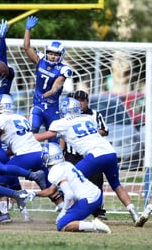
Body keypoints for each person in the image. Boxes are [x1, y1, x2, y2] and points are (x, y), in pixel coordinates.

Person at [34, 97, 140, 223]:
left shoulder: (61, 123)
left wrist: (27, 136)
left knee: (71, 181)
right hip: (110, 152)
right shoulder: (88, 118)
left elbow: (44, 136)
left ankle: (69, 212)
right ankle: (134, 212)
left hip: (94, 155)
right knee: (116, 184)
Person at [0, 93, 48, 223]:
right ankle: (63, 208)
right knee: (47, 187)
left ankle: (3, 214)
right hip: (39, 153)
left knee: (0, 178)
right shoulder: (20, 117)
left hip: (24, 155)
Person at [24, 142, 111, 233]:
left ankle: (94, 225)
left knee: (61, 225)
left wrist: (64, 211)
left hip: (89, 200)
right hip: (96, 195)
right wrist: (35, 193)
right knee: (65, 221)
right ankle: (80, 224)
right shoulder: (66, 165)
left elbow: (69, 194)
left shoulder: (55, 171)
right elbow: (51, 190)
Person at [23, 15, 73, 141]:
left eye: (56, 54)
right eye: (50, 53)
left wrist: (43, 96)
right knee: (32, 128)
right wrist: (27, 30)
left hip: (52, 107)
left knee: (55, 137)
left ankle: (58, 158)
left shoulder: (63, 70)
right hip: (38, 105)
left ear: (61, 56)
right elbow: (27, 47)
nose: (53, 56)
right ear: (46, 52)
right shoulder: (40, 61)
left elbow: (55, 89)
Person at [64, 90, 109, 220]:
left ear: (86, 102)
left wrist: (89, 133)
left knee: (96, 180)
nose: (78, 103)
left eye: (81, 100)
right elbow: (61, 135)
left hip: (90, 152)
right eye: (75, 100)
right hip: (72, 153)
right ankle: (72, 209)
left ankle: (98, 210)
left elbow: (105, 130)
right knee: (72, 181)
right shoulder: (67, 115)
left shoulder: (94, 115)